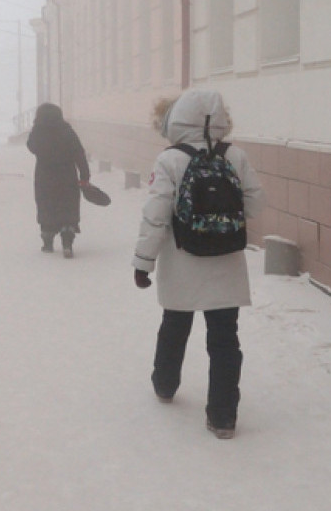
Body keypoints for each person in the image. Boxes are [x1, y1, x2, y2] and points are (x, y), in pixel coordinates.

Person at [131, 89, 262, 440]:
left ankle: (165, 383)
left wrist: (144, 262)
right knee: (224, 339)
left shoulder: (170, 160)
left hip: (182, 260)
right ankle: (222, 417)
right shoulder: (236, 155)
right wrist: (223, 223)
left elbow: (155, 216)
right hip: (226, 262)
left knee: (175, 325)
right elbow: (255, 202)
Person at [26, 103, 90, 258]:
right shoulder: (66, 130)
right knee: (67, 208)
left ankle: (47, 242)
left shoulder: (38, 131)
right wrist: (84, 175)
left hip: (45, 176)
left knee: (47, 206)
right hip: (67, 176)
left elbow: (31, 146)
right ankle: (67, 242)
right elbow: (79, 153)